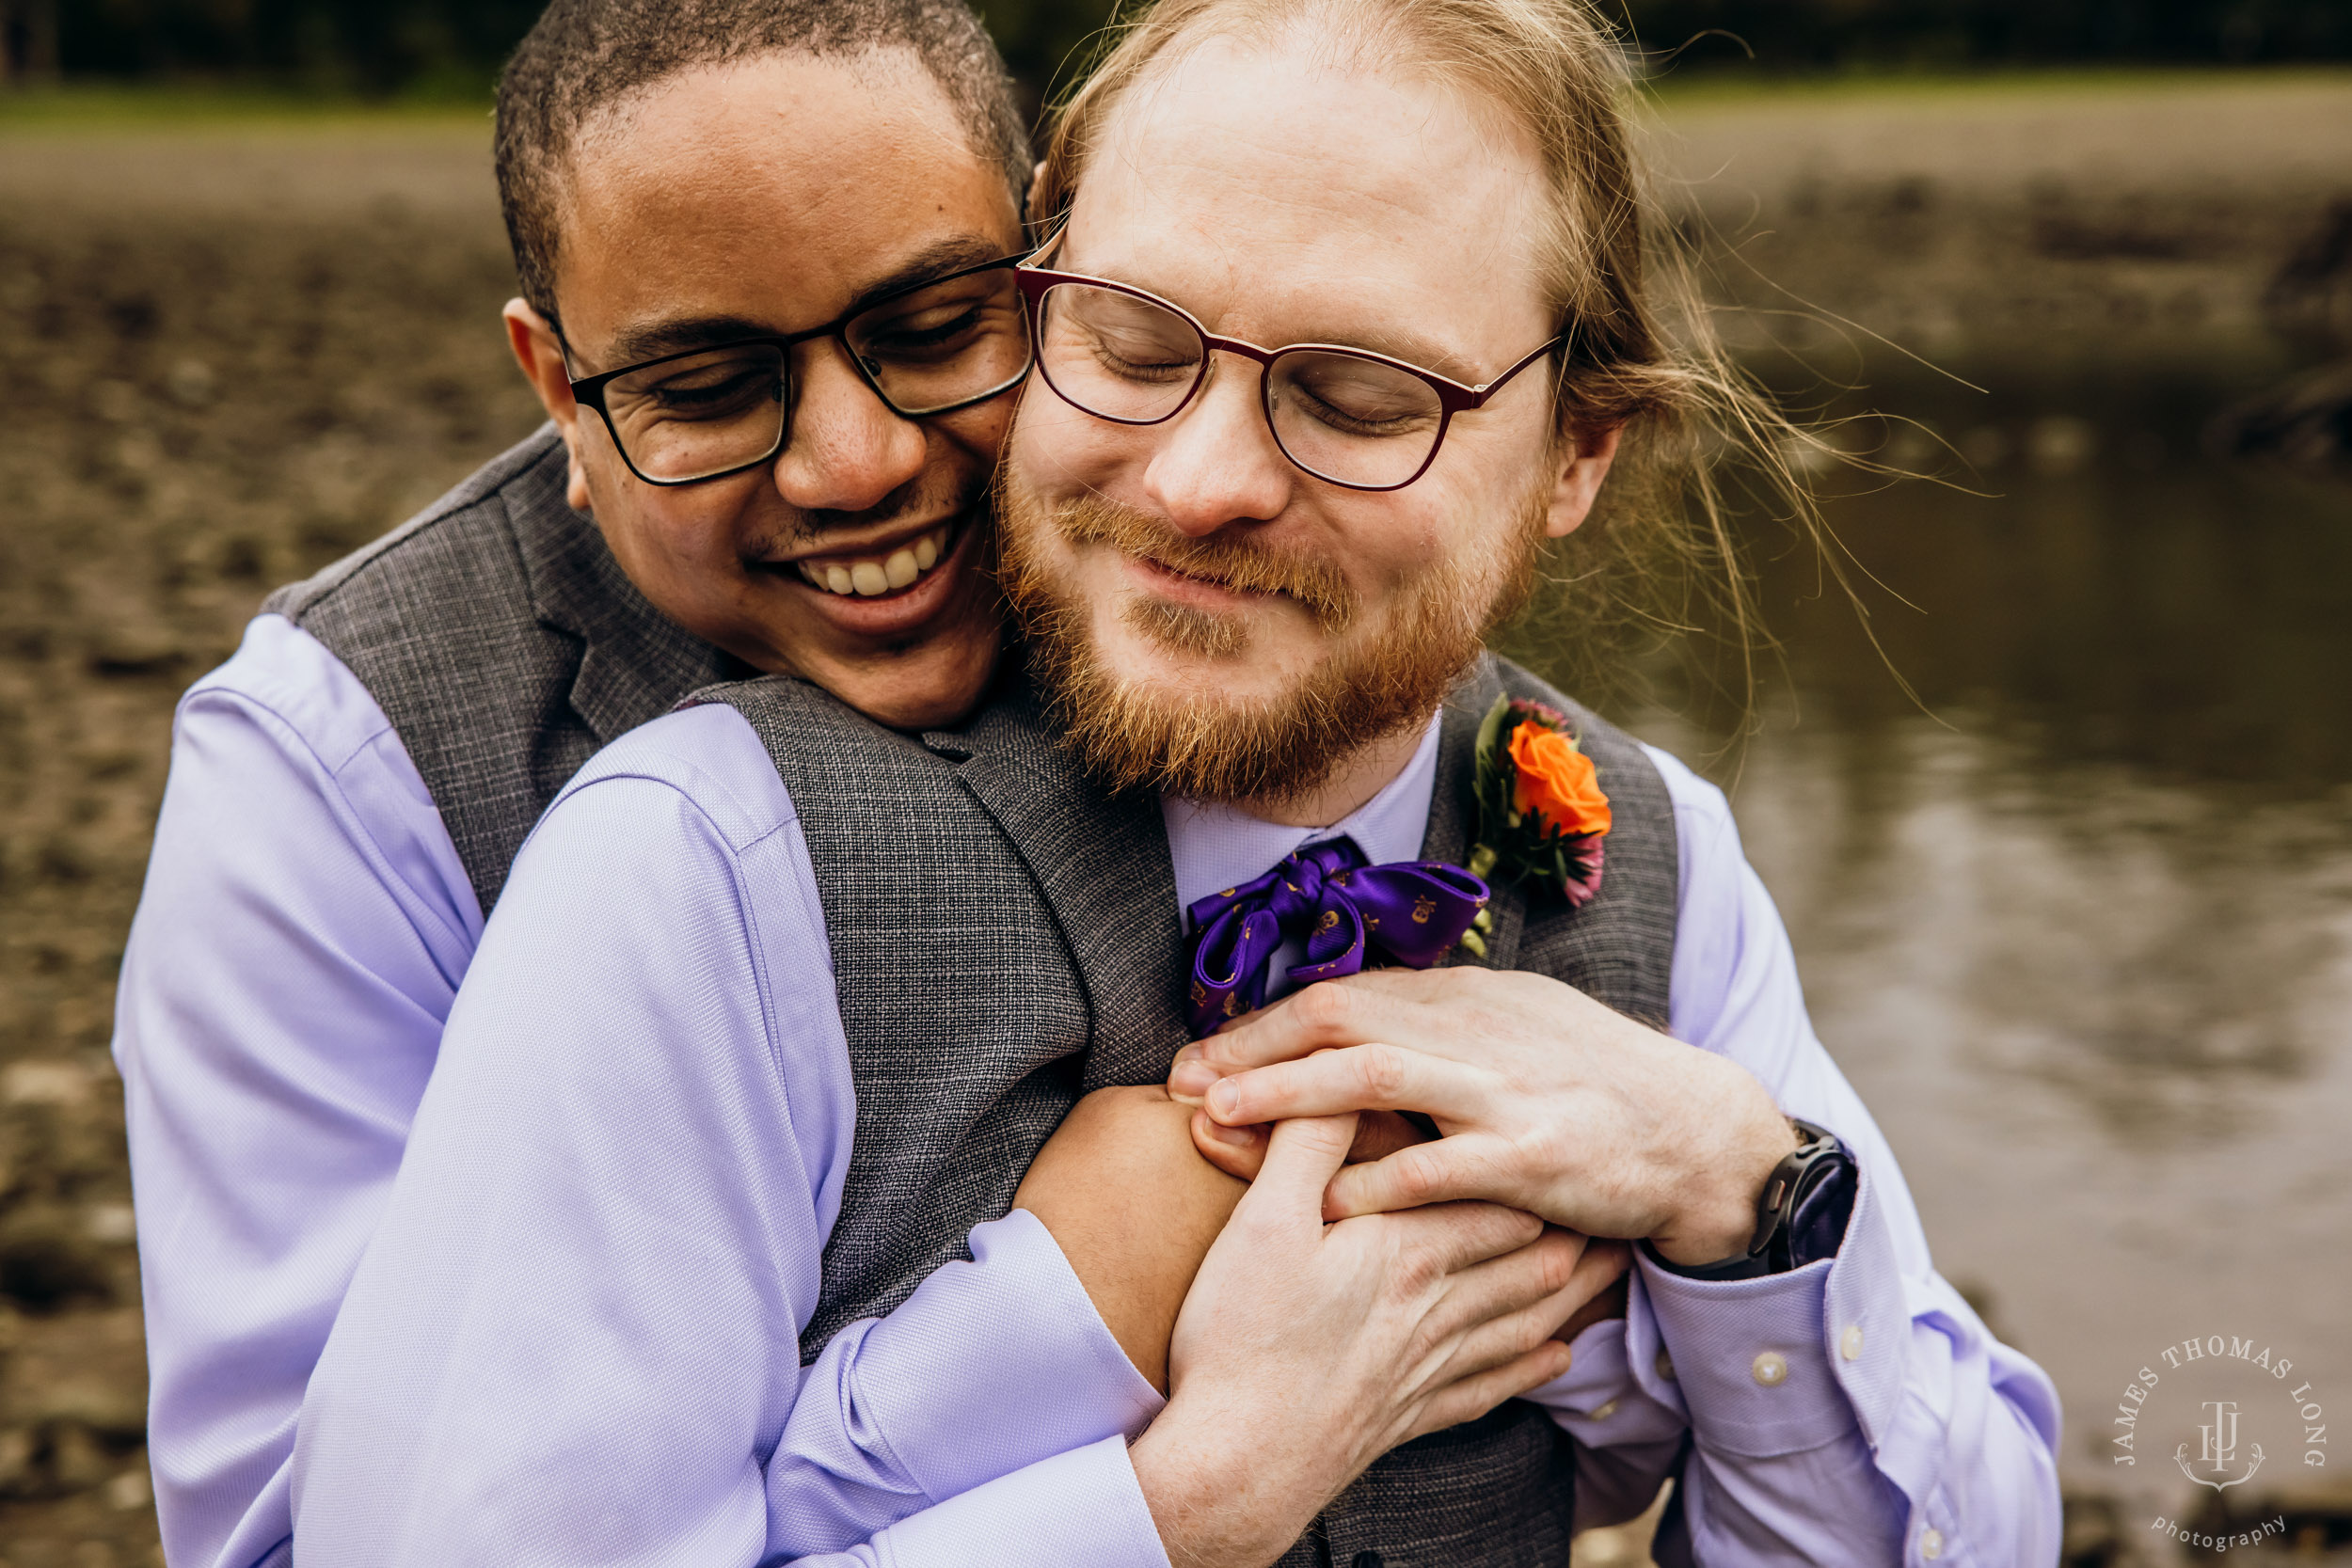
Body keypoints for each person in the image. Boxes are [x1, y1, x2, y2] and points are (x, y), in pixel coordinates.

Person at [290, 0, 2065, 1562]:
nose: (1202, 482)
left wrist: (1738, 1182)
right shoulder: (694, 875)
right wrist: (1172, 1501)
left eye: (1361, 398)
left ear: (1577, 450)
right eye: (1135, 347)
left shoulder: (1660, 866)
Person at [114, 4, 1303, 1564]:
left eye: (938, 327)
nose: (852, 462)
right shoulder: (337, 767)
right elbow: (301, 1545)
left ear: (1053, 256)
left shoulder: (1208, 546)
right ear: (558, 384)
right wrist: (1071, 1365)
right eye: (709, 385)